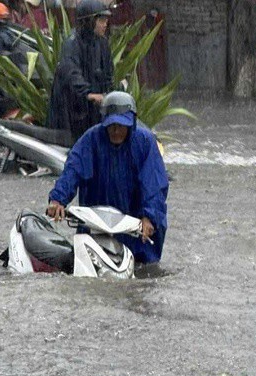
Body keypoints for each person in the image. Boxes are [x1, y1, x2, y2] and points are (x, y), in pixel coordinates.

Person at [46, 91, 168, 264]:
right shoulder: (90, 140)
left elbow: (154, 185)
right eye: (112, 126)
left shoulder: (145, 142)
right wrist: (58, 199)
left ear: (132, 123)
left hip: (136, 224)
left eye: (121, 125)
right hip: (97, 221)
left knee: (144, 269)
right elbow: (72, 170)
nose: (116, 131)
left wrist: (150, 216)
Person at [47, 0, 114, 142]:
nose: (105, 24)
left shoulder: (102, 43)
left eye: (106, 20)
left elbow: (108, 72)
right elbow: (70, 72)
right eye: (101, 20)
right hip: (72, 110)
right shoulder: (72, 44)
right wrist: (88, 93)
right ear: (89, 21)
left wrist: (110, 93)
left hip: (93, 109)